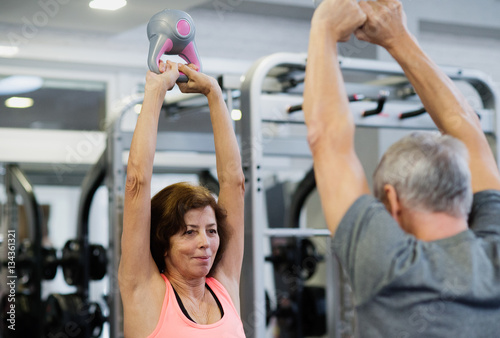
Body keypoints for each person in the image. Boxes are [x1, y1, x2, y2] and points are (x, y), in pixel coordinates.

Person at [303, 0, 500, 337]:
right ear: (465, 192)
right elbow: (467, 128)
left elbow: (327, 141)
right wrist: (398, 35)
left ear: (392, 201)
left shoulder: (391, 266)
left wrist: (323, 24)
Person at [118, 60, 246, 337]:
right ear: (163, 243)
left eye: (211, 231)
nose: (205, 243)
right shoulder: (145, 292)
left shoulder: (224, 286)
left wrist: (213, 93)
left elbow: (234, 183)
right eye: (189, 232)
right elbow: (136, 183)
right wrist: (155, 91)